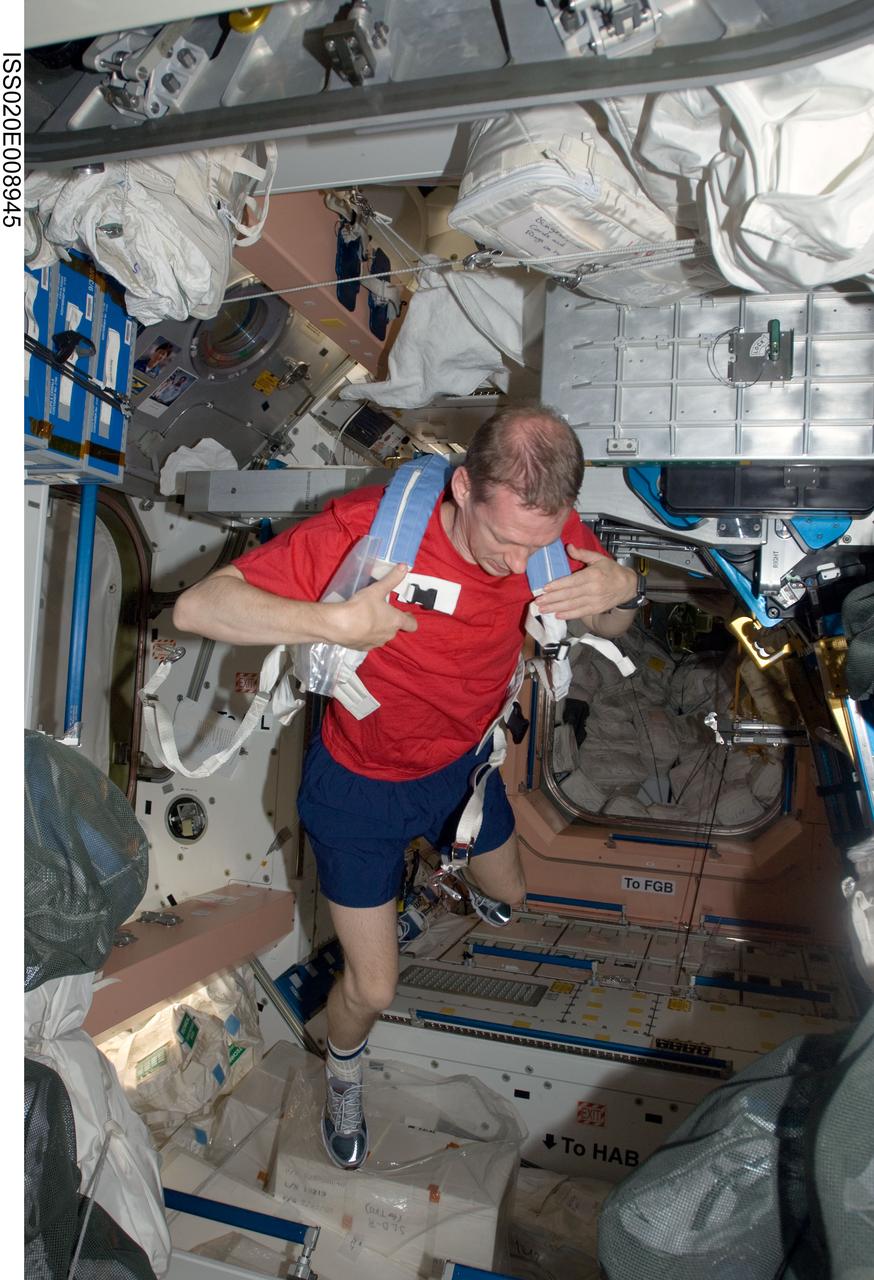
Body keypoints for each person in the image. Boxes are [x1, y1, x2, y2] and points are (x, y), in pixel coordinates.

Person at [172, 404, 640, 1170]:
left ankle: (422, 893)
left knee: (512, 896)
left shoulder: (545, 533)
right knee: (375, 990)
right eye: (505, 541)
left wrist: (624, 587)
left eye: (540, 544)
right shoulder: (374, 531)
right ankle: (343, 1072)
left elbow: (612, 620)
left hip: (461, 768)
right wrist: (332, 623)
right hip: (360, 789)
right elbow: (198, 607)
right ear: (463, 488)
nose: (522, 564)